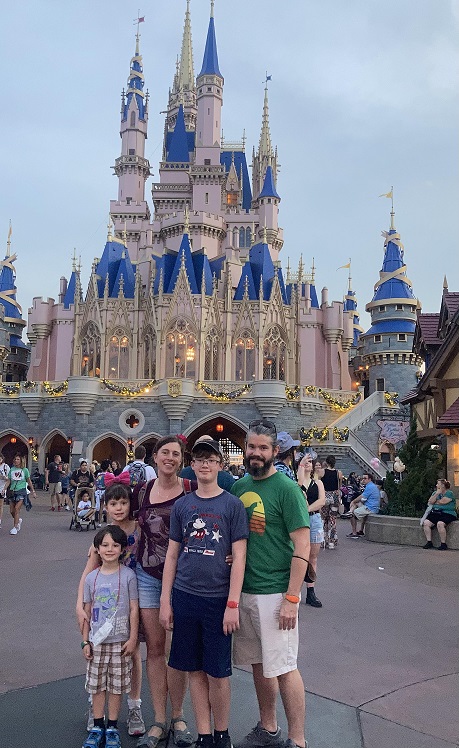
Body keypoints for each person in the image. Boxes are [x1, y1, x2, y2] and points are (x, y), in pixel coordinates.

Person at [159, 439, 248, 748]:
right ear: (192, 465)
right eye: (199, 459)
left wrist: (232, 603)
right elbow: (172, 555)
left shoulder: (232, 505)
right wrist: (166, 600)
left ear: (220, 465)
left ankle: (222, 734)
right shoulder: (183, 506)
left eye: (211, 459)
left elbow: (239, 556)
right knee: (194, 669)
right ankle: (204, 734)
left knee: (218, 672)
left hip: (218, 599)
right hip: (185, 595)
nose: (205, 464)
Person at [231, 419, 311, 748]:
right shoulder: (239, 488)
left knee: (285, 667)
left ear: (275, 451)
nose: (256, 453)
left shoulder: (287, 489)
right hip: (245, 590)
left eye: (263, 447)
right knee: (259, 665)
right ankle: (269, 728)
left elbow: (302, 544)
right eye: (252, 446)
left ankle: (297, 739)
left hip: (276, 593)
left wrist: (292, 597)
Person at [130, 435, 196, 748]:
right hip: (146, 575)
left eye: (175, 454)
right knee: (155, 649)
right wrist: (99, 551)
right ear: (155, 457)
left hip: (183, 579)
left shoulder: (190, 489)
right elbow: (130, 528)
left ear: (182, 460)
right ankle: (159, 719)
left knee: (177, 649)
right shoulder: (142, 491)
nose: (170, 458)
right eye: (165, 453)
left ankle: (178, 716)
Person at [76, 482, 146, 736]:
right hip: (107, 600)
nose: (118, 508)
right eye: (113, 503)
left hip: (134, 592)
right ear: (105, 506)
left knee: (132, 651)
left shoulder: (140, 528)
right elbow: (88, 572)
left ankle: (134, 705)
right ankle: (95, 708)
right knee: (98, 652)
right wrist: (79, 603)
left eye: (123, 503)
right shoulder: (103, 538)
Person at [82, 525, 139, 748]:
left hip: (120, 642)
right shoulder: (91, 578)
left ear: (122, 549)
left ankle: (112, 726)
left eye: (115, 545)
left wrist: (133, 638)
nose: (109, 549)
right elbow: (87, 611)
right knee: (97, 686)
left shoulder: (128, 576)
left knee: (116, 686)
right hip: (97, 642)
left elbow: (134, 609)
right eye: (105, 545)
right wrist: (85, 640)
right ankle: (98, 725)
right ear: (97, 548)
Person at [297, 457, 326, 608]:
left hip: (314, 519)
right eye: (304, 462)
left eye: (310, 462)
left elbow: (322, 501)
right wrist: (301, 469)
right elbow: (297, 490)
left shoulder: (318, 483)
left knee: (312, 557)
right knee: (299, 555)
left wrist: (307, 509)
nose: (307, 464)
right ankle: (295, 590)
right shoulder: (298, 483)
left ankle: (311, 591)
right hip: (300, 521)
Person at [5, 455, 37, 535]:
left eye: (18, 459)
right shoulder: (12, 469)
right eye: (15, 459)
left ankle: (15, 527)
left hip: (21, 491)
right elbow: (9, 480)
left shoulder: (25, 470)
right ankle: (18, 520)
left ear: (21, 461)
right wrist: (4, 489)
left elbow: (28, 481)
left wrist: (33, 491)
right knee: (11, 511)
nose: (16, 460)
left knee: (16, 509)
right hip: (12, 491)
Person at [422, 479, 457, 550]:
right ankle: (429, 542)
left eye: (438, 484)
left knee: (440, 523)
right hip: (436, 512)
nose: (436, 485)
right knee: (426, 523)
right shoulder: (435, 493)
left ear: (443, 485)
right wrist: (436, 494)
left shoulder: (449, 493)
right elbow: (430, 502)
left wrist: (435, 502)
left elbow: (442, 502)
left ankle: (443, 544)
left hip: (448, 513)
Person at [345, 472, 380, 538]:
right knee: (356, 503)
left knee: (352, 514)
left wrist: (353, 501)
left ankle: (354, 533)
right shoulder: (372, 486)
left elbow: (362, 496)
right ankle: (360, 530)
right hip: (372, 507)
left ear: (370, 479)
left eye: (365, 478)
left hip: (370, 508)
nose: (363, 480)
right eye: (362, 478)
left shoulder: (370, 487)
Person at [320, 455, 343, 549]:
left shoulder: (322, 472)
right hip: (334, 496)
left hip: (325, 496)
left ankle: (322, 540)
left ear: (326, 462)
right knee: (333, 519)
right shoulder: (339, 473)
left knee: (323, 518)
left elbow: (319, 484)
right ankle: (332, 541)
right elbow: (339, 486)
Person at [0, 453, 10, 529]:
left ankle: (0, 520)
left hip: (2, 488)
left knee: (0, 505)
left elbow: (9, 478)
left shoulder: (5, 467)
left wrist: (4, 477)